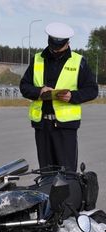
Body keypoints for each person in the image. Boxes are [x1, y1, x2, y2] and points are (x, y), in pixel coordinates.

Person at [20, 22, 98, 172]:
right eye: (52, 47)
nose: (55, 51)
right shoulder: (37, 59)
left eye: (59, 47)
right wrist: (39, 92)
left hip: (65, 127)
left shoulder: (78, 62)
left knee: (67, 173)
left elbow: (92, 90)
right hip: (42, 125)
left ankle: (69, 196)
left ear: (68, 43)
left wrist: (72, 96)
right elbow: (24, 86)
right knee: (46, 172)